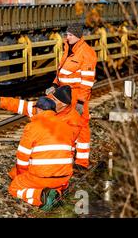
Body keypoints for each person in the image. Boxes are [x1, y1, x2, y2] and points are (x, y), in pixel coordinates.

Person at [45, 24, 97, 169]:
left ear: (78, 36)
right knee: (65, 127)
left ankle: (81, 162)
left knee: (81, 127)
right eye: (66, 35)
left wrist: (81, 101)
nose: (67, 38)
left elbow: (87, 82)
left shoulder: (87, 53)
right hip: (63, 95)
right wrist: (54, 85)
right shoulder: (68, 48)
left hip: (77, 96)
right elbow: (61, 72)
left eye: (70, 35)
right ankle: (67, 157)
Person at [8, 97, 74, 210]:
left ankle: (41, 196)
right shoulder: (67, 127)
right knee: (14, 173)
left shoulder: (32, 127)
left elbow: (22, 157)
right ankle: (57, 192)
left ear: (39, 109)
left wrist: (21, 175)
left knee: (14, 187)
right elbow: (70, 153)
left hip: (41, 177)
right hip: (63, 178)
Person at [0, 86, 83, 146]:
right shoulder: (45, 107)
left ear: (63, 105)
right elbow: (20, 105)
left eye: (54, 100)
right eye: (51, 98)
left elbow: (68, 142)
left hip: (56, 158)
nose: (50, 100)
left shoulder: (73, 119)